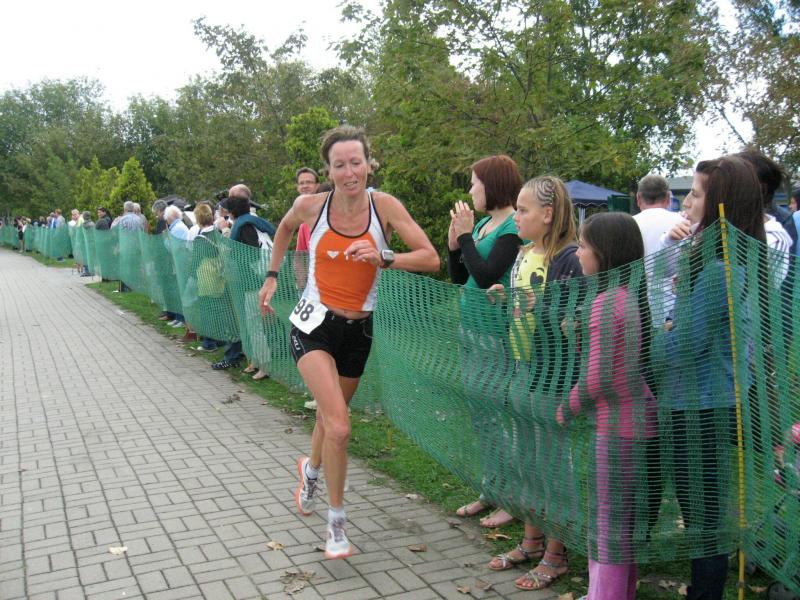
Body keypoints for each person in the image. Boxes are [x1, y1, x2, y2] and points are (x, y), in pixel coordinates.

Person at [258, 125, 439, 559]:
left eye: (356, 162)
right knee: (339, 425)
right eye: (339, 165)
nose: (349, 172)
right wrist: (272, 275)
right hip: (313, 325)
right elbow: (283, 229)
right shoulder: (311, 206)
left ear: (368, 164)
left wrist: (384, 256)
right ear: (328, 170)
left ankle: (311, 470)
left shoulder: (385, 207)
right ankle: (336, 525)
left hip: (358, 331)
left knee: (330, 417)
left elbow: (431, 258)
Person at [659, 155, 766, 600]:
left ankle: (706, 593)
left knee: (704, 518)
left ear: (721, 203)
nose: (686, 202)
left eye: (697, 194)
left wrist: (658, 334)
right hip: (698, 402)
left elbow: (679, 347)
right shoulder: (714, 259)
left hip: (701, 409)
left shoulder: (721, 269)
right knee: (701, 513)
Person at [484, 176, 581, 590]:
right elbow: (527, 307)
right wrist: (508, 298)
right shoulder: (525, 253)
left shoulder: (570, 258)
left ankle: (556, 554)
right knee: (528, 460)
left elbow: (572, 317)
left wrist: (537, 305)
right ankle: (531, 540)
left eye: (523, 210)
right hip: (524, 369)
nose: (517, 217)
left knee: (553, 465)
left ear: (548, 214)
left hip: (553, 377)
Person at [557, 212, 656, 600]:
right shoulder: (626, 297)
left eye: (583, 246)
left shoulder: (605, 301)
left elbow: (598, 378)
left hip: (616, 428)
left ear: (605, 252)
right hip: (633, 422)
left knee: (607, 524)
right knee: (620, 522)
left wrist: (566, 408)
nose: (578, 254)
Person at [449, 155, 522, 529]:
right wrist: (454, 246)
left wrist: (465, 237)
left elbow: (487, 275)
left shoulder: (512, 227)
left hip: (496, 336)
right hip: (471, 331)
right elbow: (460, 277)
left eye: (474, 182)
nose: (470, 190)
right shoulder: (481, 225)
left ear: (491, 184)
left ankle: (513, 498)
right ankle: (492, 488)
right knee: (481, 417)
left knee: (497, 416)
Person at [212, 184, 275, 371]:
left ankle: (263, 364)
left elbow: (249, 253)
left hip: (253, 281)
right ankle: (255, 359)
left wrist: (225, 233)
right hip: (253, 280)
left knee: (256, 323)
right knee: (254, 322)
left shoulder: (245, 225)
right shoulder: (250, 221)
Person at [633, 174, 684, 325]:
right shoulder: (684, 223)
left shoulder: (629, 224)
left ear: (638, 198)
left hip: (638, 312)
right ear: (668, 198)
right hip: (676, 310)